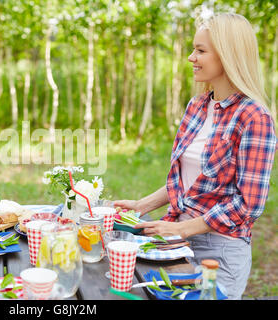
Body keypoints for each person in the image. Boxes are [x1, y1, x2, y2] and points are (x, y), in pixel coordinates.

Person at [114, 13, 277, 299]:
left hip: (221, 251)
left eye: (200, 50)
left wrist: (182, 228)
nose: (191, 57)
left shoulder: (254, 117)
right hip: (178, 241)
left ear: (228, 55)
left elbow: (249, 205)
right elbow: (188, 182)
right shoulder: (198, 106)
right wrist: (141, 205)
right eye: (193, 49)